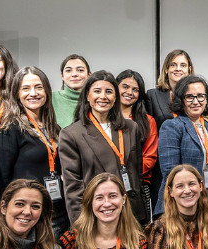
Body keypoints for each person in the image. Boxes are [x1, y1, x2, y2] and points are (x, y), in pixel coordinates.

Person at [58, 70, 148, 226]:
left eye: (109, 92)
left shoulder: (131, 128)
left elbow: (137, 173)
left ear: (115, 97)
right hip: (96, 215)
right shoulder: (71, 134)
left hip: (130, 213)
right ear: (87, 95)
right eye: (97, 91)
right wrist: (80, 225)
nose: (103, 96)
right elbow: (73, 187)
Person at [0, 67, 70, 236]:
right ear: (17, 93)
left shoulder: (53, 128)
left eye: (38, 87)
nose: (33, 93)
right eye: (25, 88)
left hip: (57, 211)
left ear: (46, 91)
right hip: (28, 216)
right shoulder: (9, 129)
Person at [155, 75, 208, 220]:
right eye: (189, 97)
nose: (196, 101)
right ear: (181, 100)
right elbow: (171, 174)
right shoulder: (171, 127)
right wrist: (191, 204)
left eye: (200, 96)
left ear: (206, 99)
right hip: (179, 208)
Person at [116, 69, 159, 217]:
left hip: (138, 185)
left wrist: (129, 175)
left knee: (139, 228)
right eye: (125, 87)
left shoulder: (148, 121)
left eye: (135, 90)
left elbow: (150, 157)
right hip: (108, 184)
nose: (130, 92)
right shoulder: (105, 118)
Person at [147, 49, 193, 125]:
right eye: (173, 65)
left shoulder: (197, 95)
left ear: (189, 70)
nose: (178, 69)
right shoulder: (153, 95)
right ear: (166, 69)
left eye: (183, 65)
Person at [53, 54, 90, 129]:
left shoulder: (97, 100)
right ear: (62, 76)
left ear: (89, 75)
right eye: (68, 70)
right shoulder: (50, 99)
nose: (74, 74)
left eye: (80, 70)